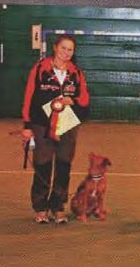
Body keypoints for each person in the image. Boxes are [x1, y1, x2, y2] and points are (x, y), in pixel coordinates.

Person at [21, 34, 90, 224]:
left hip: (67, 125)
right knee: (42, 165)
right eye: (63, 48)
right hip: (42, 125)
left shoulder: (76, 73)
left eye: (70, 50)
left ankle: (58, 207)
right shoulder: (39, 69)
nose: (66, 53)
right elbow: (28, 97)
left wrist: (72, 100)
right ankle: (41, 207)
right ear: (55, 48)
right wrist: (27, 125)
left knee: (63, 165)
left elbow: (84, 100)